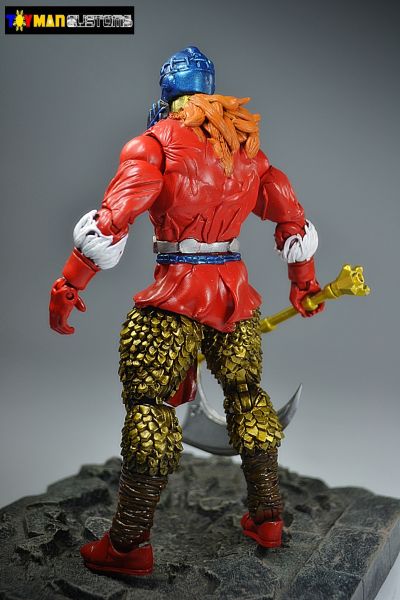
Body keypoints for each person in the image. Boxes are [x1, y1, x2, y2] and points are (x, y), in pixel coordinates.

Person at [49, 46, 323, 577]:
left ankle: (128, 545)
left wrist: (68, 284)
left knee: (148, 405)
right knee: (247, 394)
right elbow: (291, 215)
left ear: (168, 93)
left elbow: (112, 221)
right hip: (235, 296)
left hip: (174, 296)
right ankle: (268, 518)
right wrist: (303, 282)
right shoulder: (246, 150)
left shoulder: (153, 144)